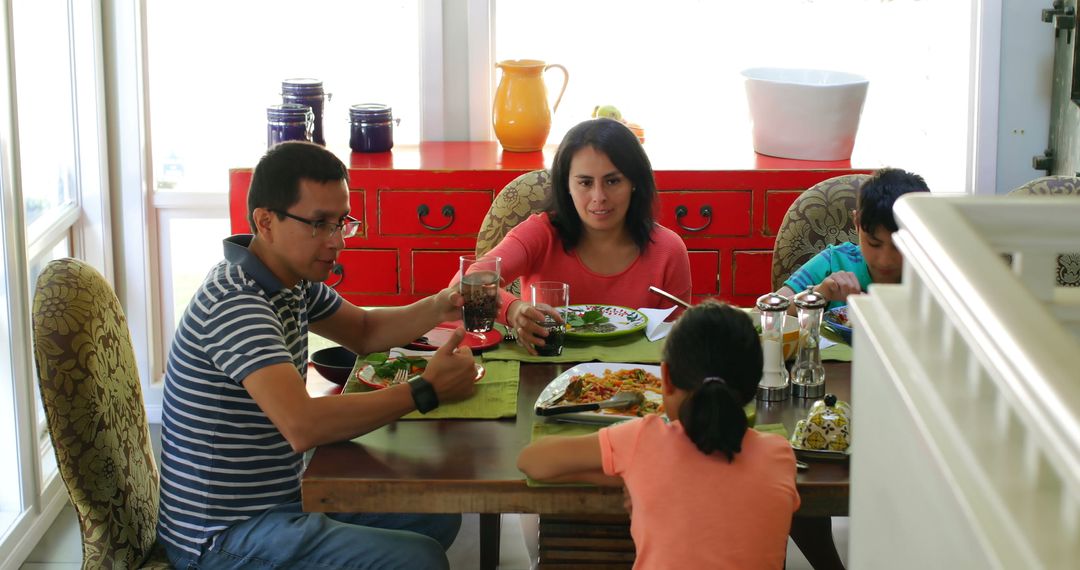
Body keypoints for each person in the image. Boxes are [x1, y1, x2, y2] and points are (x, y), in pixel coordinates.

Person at [157, 141, 480, 569]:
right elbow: (303, 426)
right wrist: (424, 391)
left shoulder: (289, 280)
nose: (337, 241)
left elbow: (364, 331)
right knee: (419, 558)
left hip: (279, 500)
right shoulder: (236, 302)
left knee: (435, 516)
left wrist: (442, 303)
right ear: (265, 221)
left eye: (341, 222)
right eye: (320, 224)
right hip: (220, 537)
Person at [517, 300, 800, 569]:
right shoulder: (780, 454)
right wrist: (633, 471)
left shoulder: (642, 441)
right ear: (753, 385)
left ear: (665, 378)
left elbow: (532, 460)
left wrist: (628, 473)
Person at [466, 118, 691, 354]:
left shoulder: (669, 249)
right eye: (585, 182)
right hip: (544, 369)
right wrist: (513, 310)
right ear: (566, 185)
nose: (599, 196)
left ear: (634, 182)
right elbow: (466, 283)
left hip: (636, 381)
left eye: (613, 181)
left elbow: (677, 347)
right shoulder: (541, 233)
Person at [777, 167, 931, 311]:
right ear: (857, 223)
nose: (885, 260)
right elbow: (764, 313)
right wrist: (819, 294)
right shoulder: (834, 262)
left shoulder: (933, 277)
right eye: (874, 243)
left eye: (899, 246)